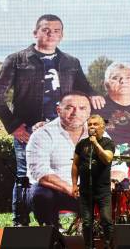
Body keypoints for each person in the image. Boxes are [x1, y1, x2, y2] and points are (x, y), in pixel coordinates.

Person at [0, 14, 104, 226]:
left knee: (64, 172)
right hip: (31, 130)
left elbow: (84, 89)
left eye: (56, 30)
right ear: (35, 33)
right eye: (45, 30)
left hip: (65, 129)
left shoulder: (71, 61)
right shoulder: (16, 60)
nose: (51, 34)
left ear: (62, 35)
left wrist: (93, 94)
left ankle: (56, 222)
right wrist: (13, 126)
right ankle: (20, 224)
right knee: (25, 176)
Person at [26, 92, 92, 226]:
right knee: (41, 194)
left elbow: (117, 166)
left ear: (89, 112)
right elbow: (41, 173)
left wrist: (111, 182)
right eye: (69, 108)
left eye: (82, 108)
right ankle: (52, 234)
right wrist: (71, 189)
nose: (76, 113)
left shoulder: (98, 134)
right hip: (57, 190)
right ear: (58, 110)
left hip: (87, 190)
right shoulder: (42, 135)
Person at [72, 115, 115, 249]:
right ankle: (89, 247)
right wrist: (74, 184)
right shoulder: (81, 144)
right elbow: (75, 165)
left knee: (107, 220)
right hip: (85, 190)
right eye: (90, 124)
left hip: (103, 191)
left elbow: (107, 159)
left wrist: (95, 143)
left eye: (95, 124)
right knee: (86, 222)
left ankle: (108, 246)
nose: (92, 127)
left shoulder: (108, 143)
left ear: (102, 127)